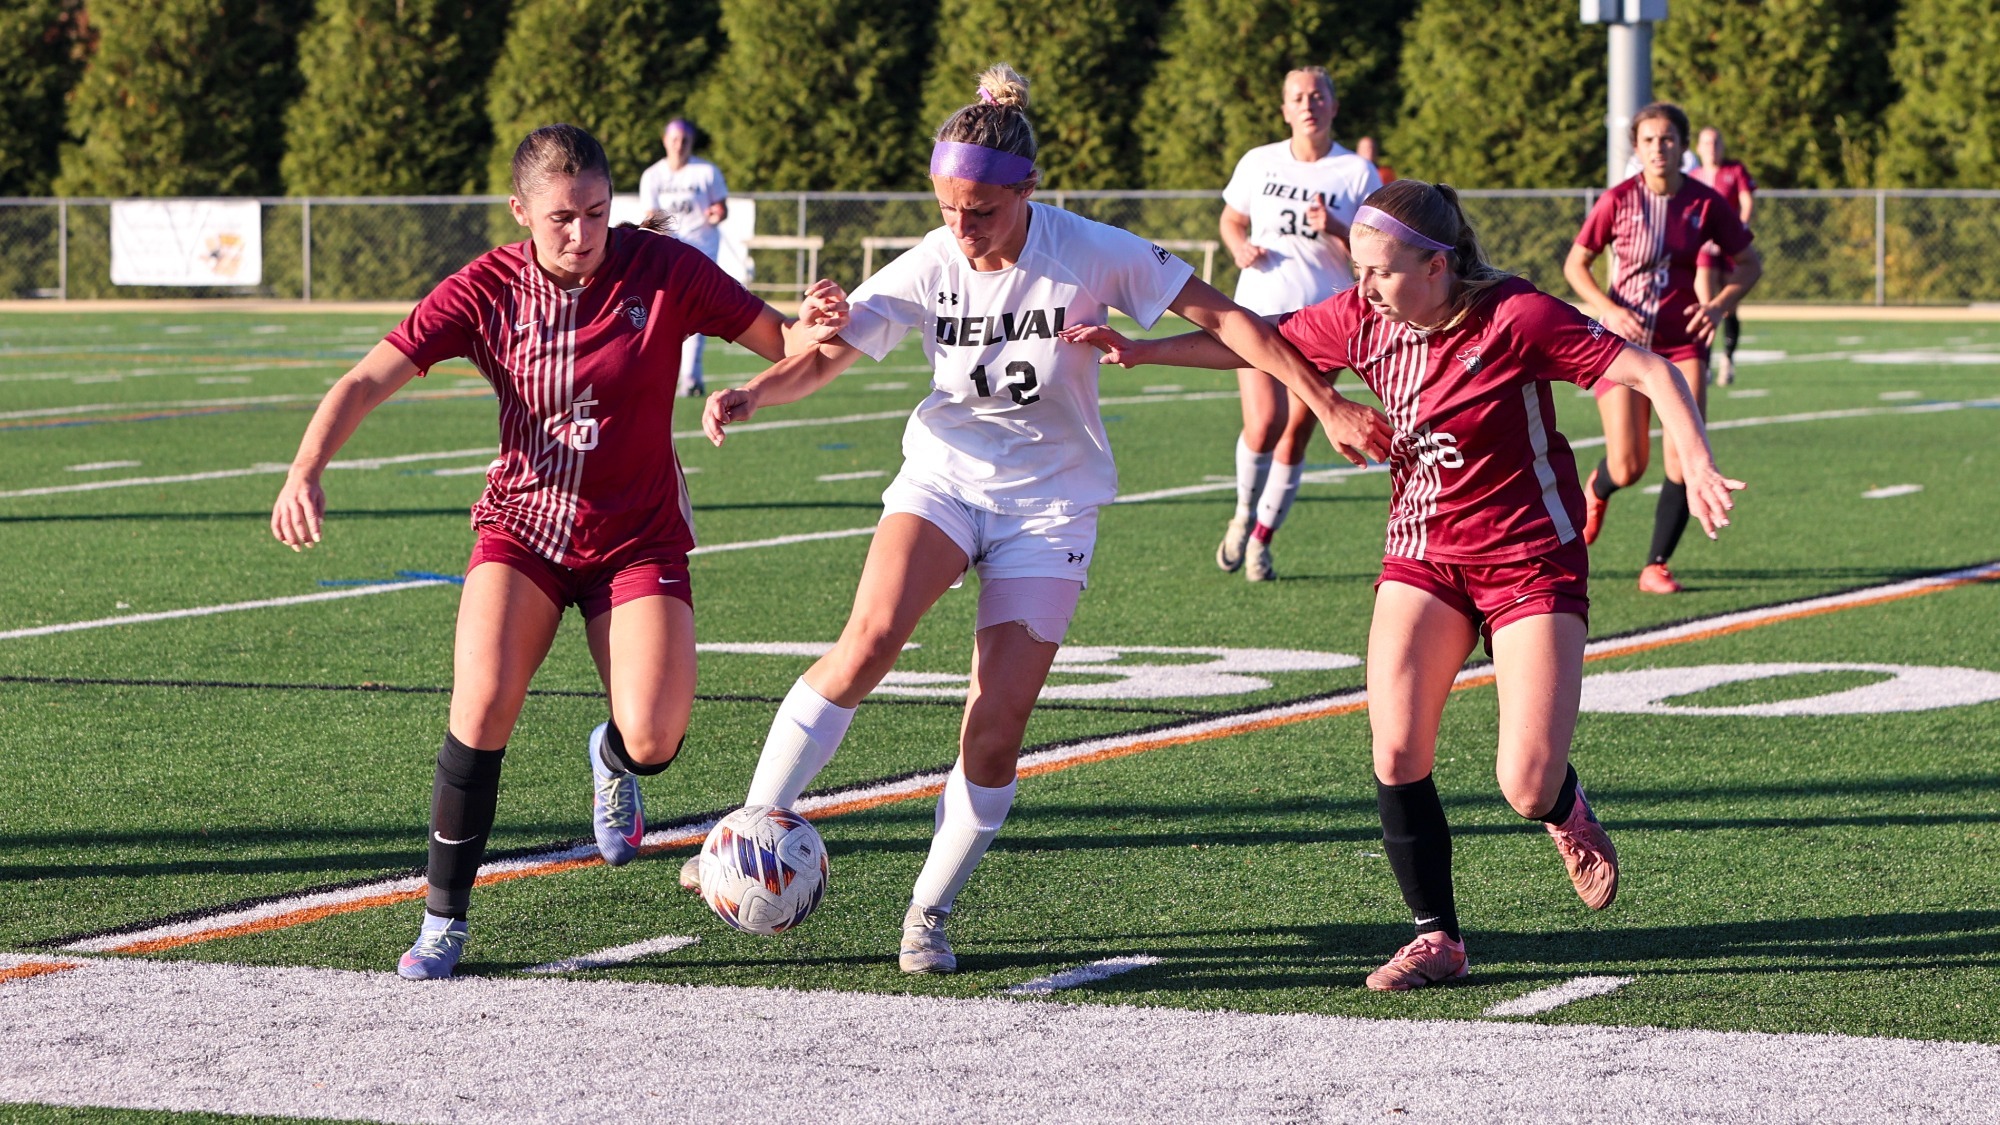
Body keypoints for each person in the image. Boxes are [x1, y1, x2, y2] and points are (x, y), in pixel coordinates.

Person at [687, 64, 1393, 974]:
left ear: (1028, 192)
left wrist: (1325, 403)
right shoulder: (933, 258)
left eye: (980, 209)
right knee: (865, 640)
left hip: (1051, 502)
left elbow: (1239, 322)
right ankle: (747, 833)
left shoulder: (1093, 248)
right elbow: (825, 350)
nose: (961, 226)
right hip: (944, 478)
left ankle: (927, 912)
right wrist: (757, 390)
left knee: (996, 720)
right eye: (946, 206)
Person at [1065, 177, 1744, 991]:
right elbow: (1265, 340)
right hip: (1424, 552)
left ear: (1438, 266)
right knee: (1394, 745)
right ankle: (1438, 938)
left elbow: (1649, 370)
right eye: (1357, 268)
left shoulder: (1515, 316)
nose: (1363, 286)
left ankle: (1564, 807)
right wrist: (1144, 349)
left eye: (1382, 270)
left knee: (1524, 783)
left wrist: (1696, 458)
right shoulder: (1363, 316)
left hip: (1530, 558)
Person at [269, 124, 848, 981]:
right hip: (524, 528)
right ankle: (443, 920)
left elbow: (786, 342)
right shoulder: (486, 287)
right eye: (561, 219)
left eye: (597, 213)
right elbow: (366, 377)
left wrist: (817, 324)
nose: (582, 235)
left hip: (637, 534)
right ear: (520, 213)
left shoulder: (664, 267)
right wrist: (305, 468)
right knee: (483, 704)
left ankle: (611, 759)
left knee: (655, 736)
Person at [1564, 102, 1760, 595]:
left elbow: (1749, 263)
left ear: (1681, 146)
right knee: (1629, 465)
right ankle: (1597, 489)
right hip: (1622, 346)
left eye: (1667, 139)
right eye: (1649, 140)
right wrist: (1606, 306)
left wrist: (1717, 306)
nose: (1658, 148)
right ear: (1637, 147)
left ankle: (1656, 564)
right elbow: (1575, 265)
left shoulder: (1705, 201)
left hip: (1683, 344)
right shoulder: (1617, 201)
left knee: (1684, 460)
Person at [1214, 67, 1381, 582]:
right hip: (1260, 311)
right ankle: (1243, 514)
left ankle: (1263, 538)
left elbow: (1376, 248)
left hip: (1324, 323)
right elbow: (1231, 219)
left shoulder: (1355, 172)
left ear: (1333, 105)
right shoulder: (1259, 161)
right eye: (1297, 97)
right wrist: (1238, 246)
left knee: (1298, 431)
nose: (1308, 104)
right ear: (1284, 109)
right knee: (1262, 423)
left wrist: (1337, 228)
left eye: (1318, 95)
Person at [638, 117, 731, 397]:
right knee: (664, 309)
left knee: (695, 311)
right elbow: (650, 215)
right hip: (669, 250)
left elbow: (721, 207)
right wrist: (656, 231)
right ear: (665, 141)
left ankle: (690, 377)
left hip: (701, 249)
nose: (679, 145)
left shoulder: (706, 172)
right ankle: (655, 375)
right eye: (674, 139)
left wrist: (717, 214)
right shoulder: (653, 175)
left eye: (685, 140)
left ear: (691, 143)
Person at [1690, 126, 1757, 387]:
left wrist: (1735, 237)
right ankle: (1704, 364)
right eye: (1706, 143)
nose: (1711, 147)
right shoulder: (1693, 176)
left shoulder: (1734, 170)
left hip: (1728, 249)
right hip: (1705, 249)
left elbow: (1747, 202)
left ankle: (1728, 359)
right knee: (1705, 305)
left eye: (1716, 142)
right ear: (1698, 147)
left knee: (1729, 307)